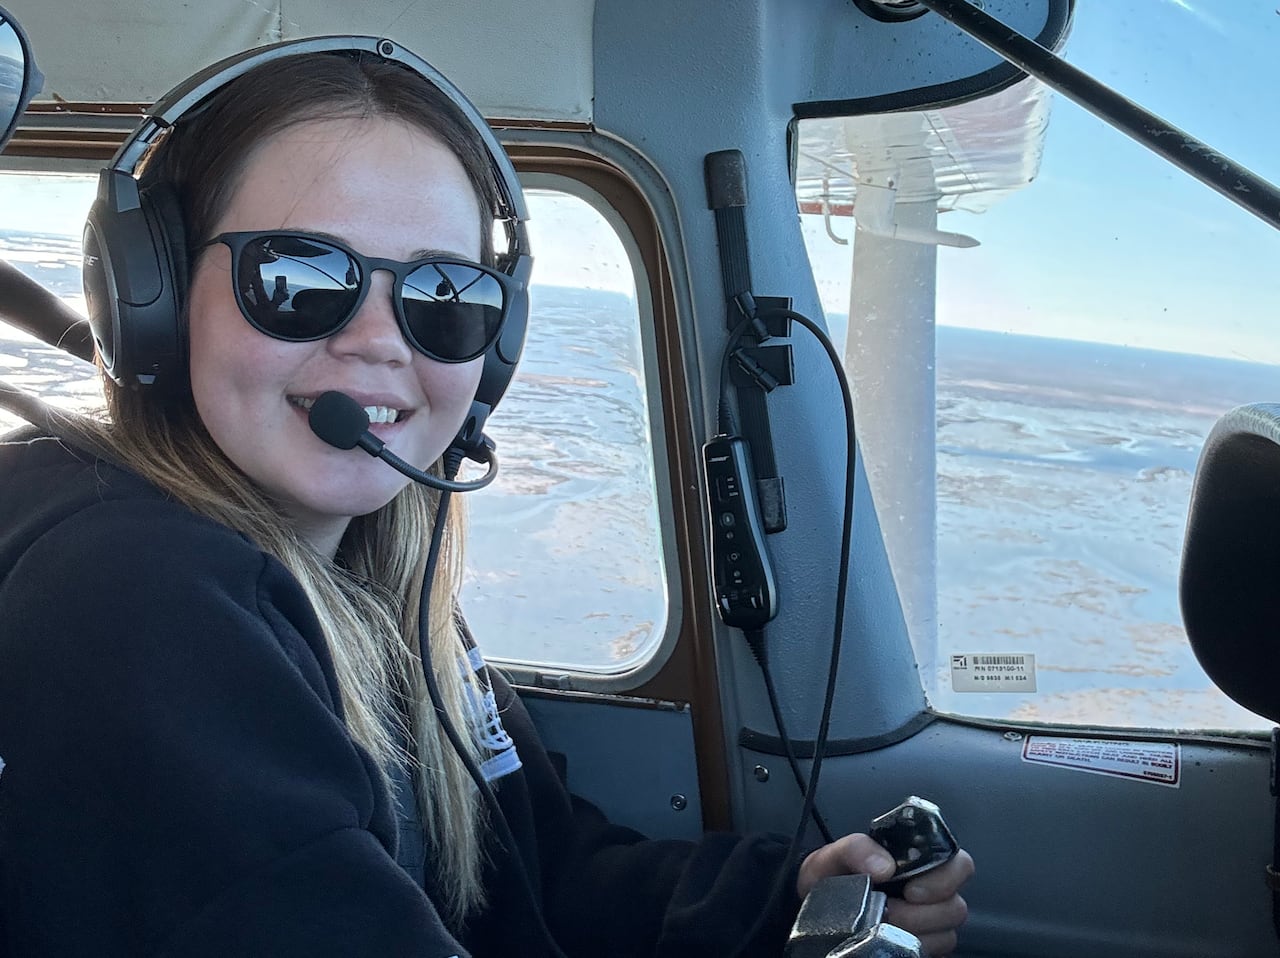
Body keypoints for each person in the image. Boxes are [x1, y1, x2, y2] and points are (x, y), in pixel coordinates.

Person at [0, 39, 973, 957]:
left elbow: (537, 869)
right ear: (152, 296)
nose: (380, 340)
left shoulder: (383, 585)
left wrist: (783, 901)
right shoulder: (133, 600)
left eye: (443, 296)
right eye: (298, 276)